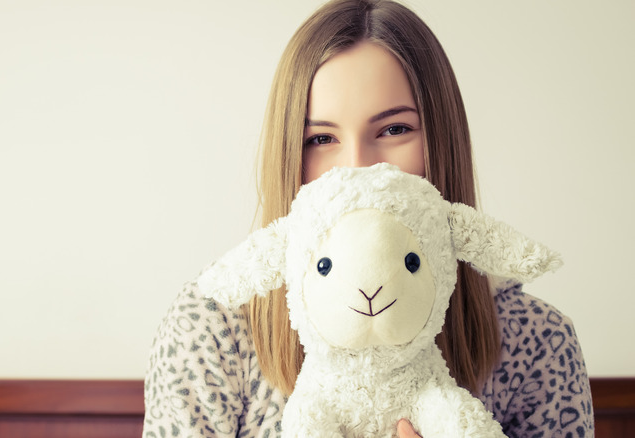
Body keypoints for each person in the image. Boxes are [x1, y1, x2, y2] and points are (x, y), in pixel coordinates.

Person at [142, 0, 594, 437]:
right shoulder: (210, 332)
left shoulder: (538, 342)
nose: (358, 167)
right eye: (321, 138)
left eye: (395, 129)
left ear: (441, 141)